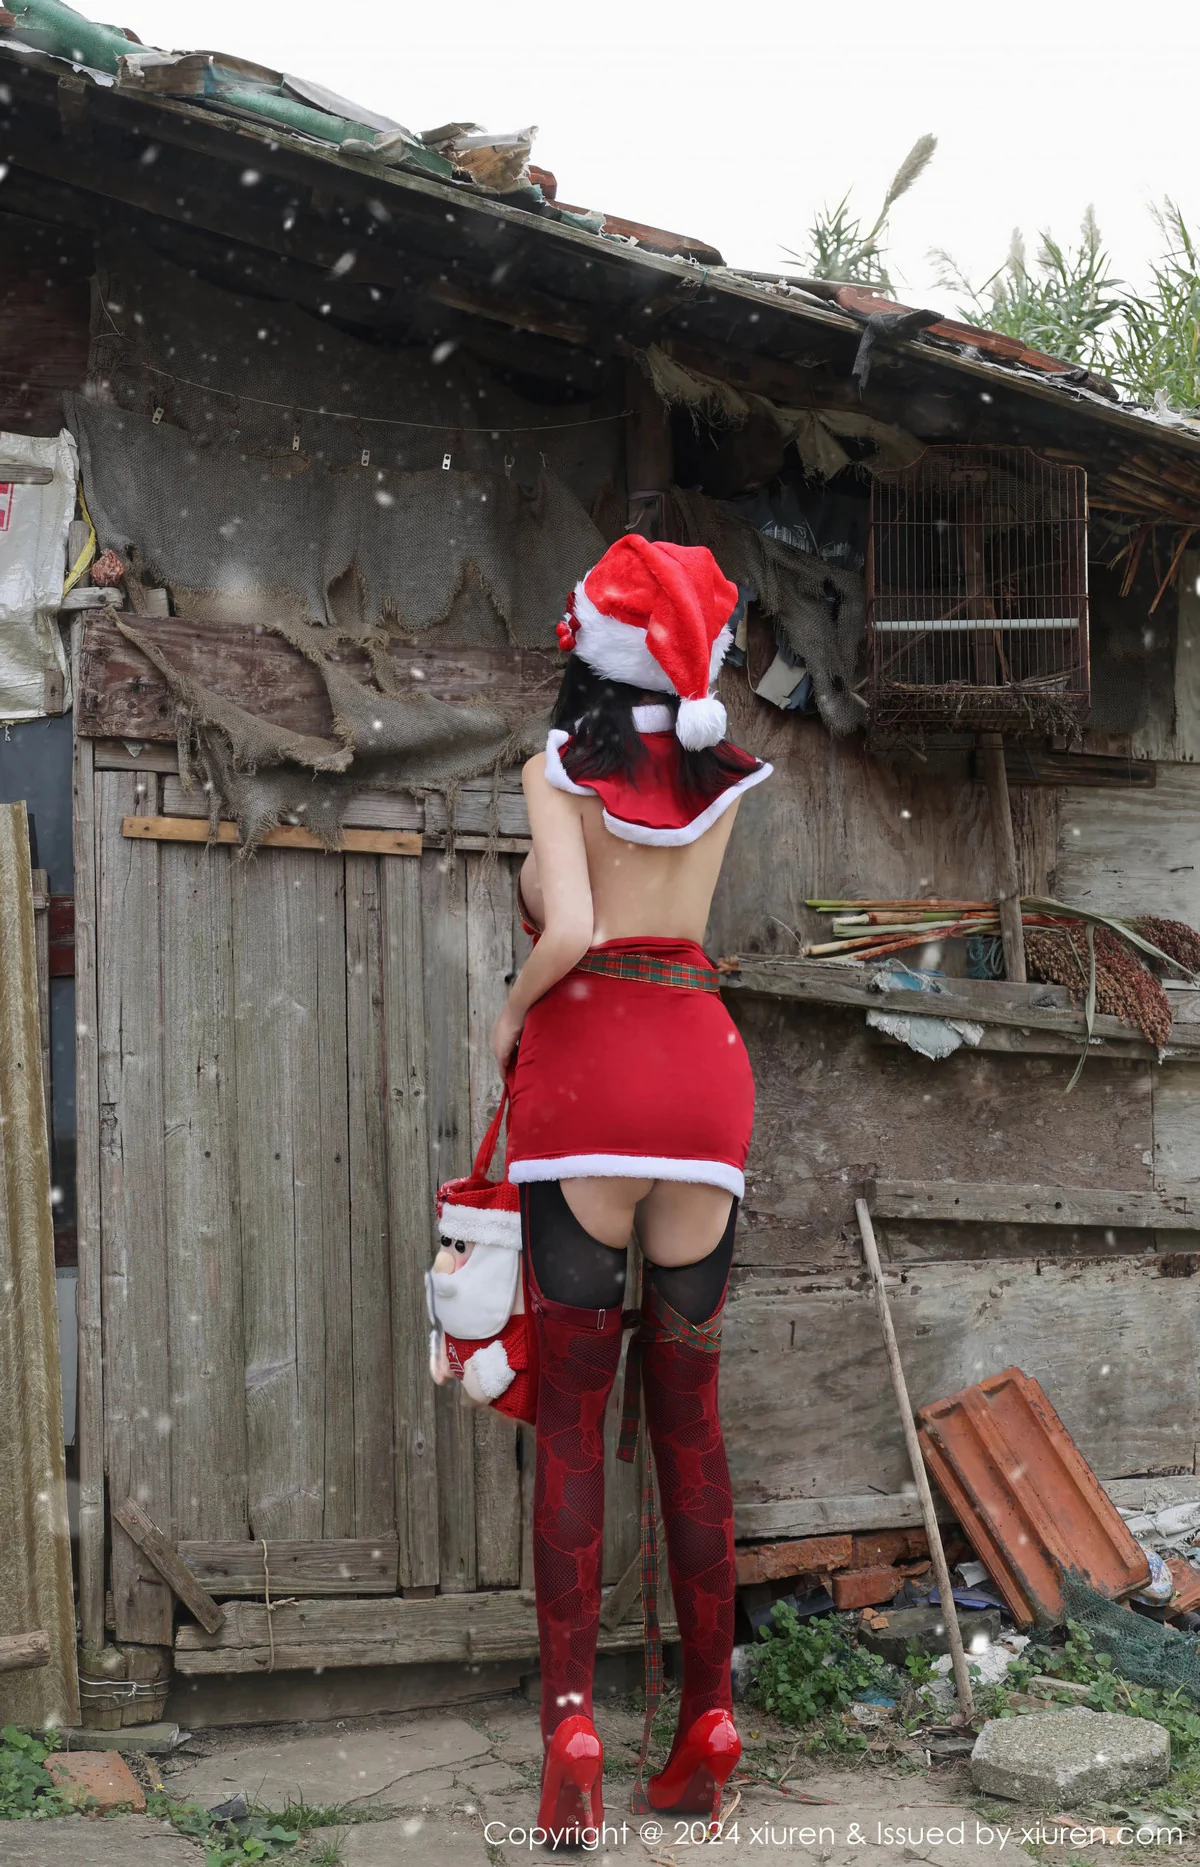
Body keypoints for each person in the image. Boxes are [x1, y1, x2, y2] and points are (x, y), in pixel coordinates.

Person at [490, 534, 773, 1844]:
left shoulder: (559, 767)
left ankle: (572, 1731)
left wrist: (507, 1021)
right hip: (705, 1073)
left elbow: (570, 932)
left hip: (592, 1077)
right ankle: (709, 1721)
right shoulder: (725, 772)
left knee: (570, 1422)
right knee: (691, 1423)